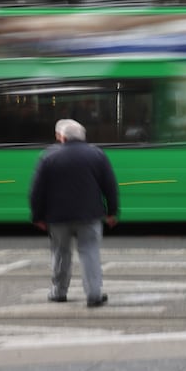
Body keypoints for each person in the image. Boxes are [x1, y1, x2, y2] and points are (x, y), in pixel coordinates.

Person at [28, 119, 120, 308]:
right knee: (90, 252)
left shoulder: (48, 156)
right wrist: (112, 211)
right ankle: (94, 294)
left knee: (60, 253)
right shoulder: (97, 154)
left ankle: (59, 292)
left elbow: (36, 190)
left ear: (62, 137)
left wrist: (37, 216)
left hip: (57, 217)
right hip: (90, 215)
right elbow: (110, 185)